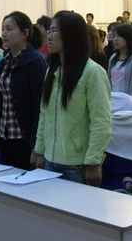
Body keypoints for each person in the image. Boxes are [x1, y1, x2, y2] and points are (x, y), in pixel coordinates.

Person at [33, 11, 111, 186]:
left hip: (78, 164)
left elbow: (101, 121)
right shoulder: (52, 71)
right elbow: (44, 115)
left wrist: (93, 161)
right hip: (50, 159)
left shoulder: (93, 72)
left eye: (54, 31)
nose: (49, 36)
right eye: (49, 31)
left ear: (70, 34)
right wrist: (39, 150)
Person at [0, 11, 48, 170]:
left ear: (25, 33)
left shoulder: (35, 62)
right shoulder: (4, 62)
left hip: (25, 140)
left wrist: (37, 147)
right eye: (3, 29)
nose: (4, 33)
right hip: (5, 138)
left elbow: (40, 108)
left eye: (9, 29)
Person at [107, 23, 132, 100]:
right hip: (113, 101)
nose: (115, 39)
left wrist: (130, 102)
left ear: (128, 37)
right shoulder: (113, 58)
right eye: (114, 36)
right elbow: (109, 82)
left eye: (119, 36)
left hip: (128, 102)